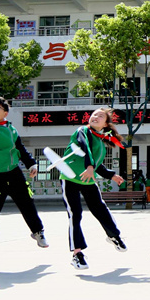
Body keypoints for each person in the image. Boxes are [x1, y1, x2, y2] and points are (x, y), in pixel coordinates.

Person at [0, 96, 48, 273]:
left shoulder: (11, 129)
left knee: (27, 204)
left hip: (13, 172)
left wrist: (31, 164)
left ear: (5, 112)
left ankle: (37, 231)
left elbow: (20, 149)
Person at [61, 108, 128, 270]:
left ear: (106, 123)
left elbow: (97, 164)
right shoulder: (82, 131)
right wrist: (89, 165)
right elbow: (85, 148)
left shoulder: (100, 142)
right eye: (93, 114)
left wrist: (111, 175)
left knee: (101, 209)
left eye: (100, 116)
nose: (95, 117)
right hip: (70, 178)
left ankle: (114, 235)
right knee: (75, 214)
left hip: (88, 180)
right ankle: (77, 254)